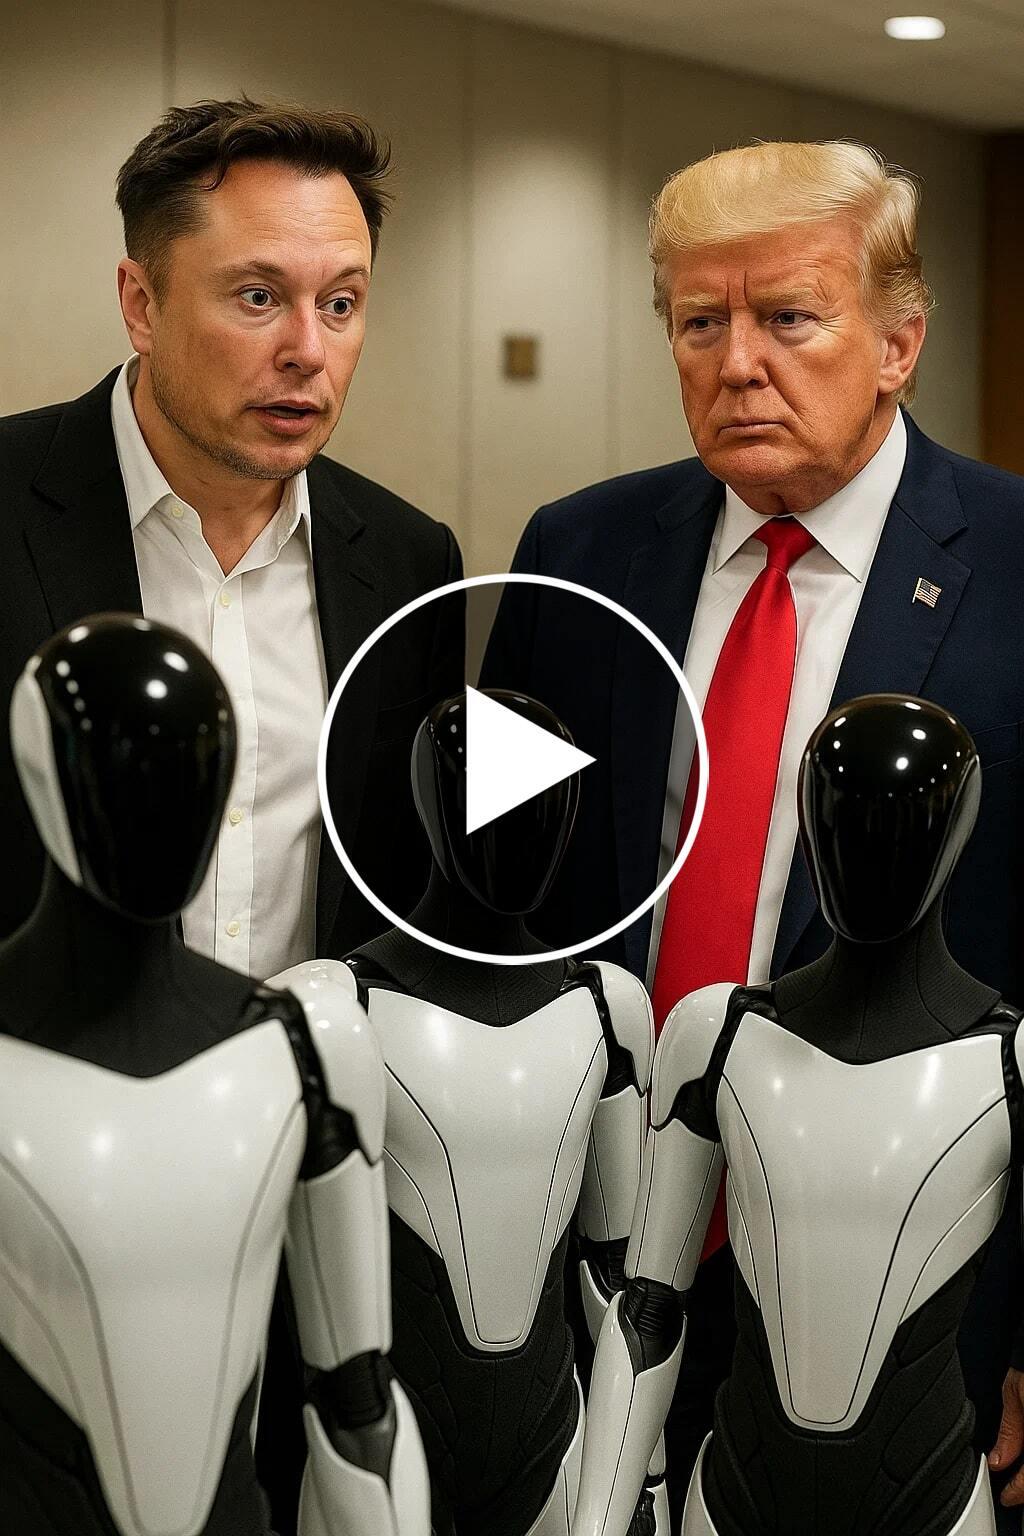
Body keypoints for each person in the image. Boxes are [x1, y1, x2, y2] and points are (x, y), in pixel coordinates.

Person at [483, 140, 1024, 1531]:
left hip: (912, 1280)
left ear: (898, 342)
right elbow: (496, 912)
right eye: (699, 323)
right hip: (589, 1260)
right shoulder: (573, 553)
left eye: (789, 318)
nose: (737, 363)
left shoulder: (1015, 565)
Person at [0, 96, 463, 972]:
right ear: (142, 304)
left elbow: (407, 882)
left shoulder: (410, 562)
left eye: (340, 303)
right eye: (258, 297)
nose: (308, 350)